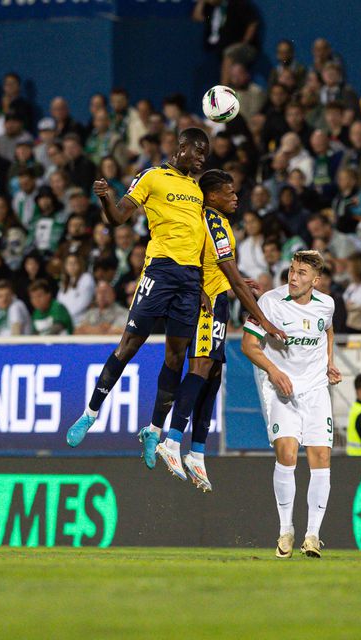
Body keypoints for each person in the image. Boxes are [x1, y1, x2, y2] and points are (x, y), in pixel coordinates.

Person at [66, 131, 282, 464]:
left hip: (189, 282)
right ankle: (90, 413)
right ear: (181, 148)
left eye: (205, 154)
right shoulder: (152, 177)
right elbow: (118, 217)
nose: (201, 158)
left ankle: (153, 431)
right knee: (130, 344)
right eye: (198, 151)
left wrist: (200, 287)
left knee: (175, 358)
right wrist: (106, 198)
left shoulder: (198, 191)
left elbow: (201, 244)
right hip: (159, 272)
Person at [151, 169, 287, 488]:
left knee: (212, 376)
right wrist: (263, 319)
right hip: (207, 304)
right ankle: (172, 441)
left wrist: (229, 280)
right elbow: (226, 274)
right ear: (212, 196)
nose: (235, 197)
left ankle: (196, 452)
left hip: (216, 300)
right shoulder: (213, 222)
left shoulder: (212, 221)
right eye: (230, 192)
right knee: (199, 370)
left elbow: (212, 264)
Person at [241, 250, 341, 558]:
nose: (294, 277)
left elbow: (327, 329)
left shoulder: (327, 304)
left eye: (301, 273)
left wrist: (329, 362)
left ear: (315, 280)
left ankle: (312, 535)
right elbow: (248, 344)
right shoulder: (270, 303)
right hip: (280, 389)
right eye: (292, 271)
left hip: (315, 390)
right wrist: (273, 370)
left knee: (321, 457)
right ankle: (286, 530)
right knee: (287, 453)